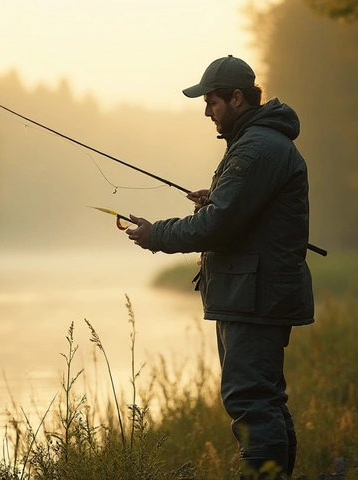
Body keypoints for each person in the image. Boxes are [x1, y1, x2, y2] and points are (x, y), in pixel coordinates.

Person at [125, 55, 314, 479]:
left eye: (211, 101)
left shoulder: (257, 147)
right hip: (251, 292)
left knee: (251, 401)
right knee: (264, 399)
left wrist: (156, 235)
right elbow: (243, 213)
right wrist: (219, 197)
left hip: (255, 296)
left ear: (236, 98)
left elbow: (216, 226)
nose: (206, 110)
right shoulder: (259, 144)